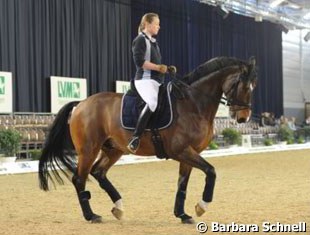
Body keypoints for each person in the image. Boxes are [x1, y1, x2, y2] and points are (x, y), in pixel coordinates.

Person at [127, 13, 176, 153]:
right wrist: (158, 67)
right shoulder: (140, 40)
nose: (159, 27)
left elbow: (156, 65)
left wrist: (166, 69)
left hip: (156, 81)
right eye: (156, 24)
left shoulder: (154, 43)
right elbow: (139, 62)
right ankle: (135, 137)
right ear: (148, 24)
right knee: (152, 103)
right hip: (144, 80)